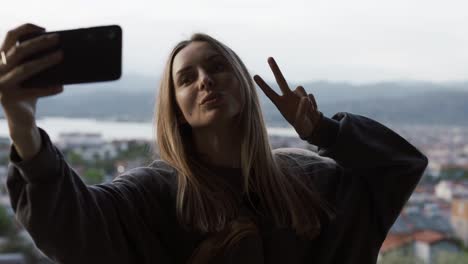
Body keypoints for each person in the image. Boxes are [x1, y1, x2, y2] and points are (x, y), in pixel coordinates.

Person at [0, 23, 428, 264]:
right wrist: (22, 123)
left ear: (243, 84)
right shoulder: (150, 194)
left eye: (217, 67)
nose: (205, 80)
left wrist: (325, 133)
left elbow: (400, 166)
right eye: (186, 78)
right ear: (177, 109)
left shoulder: (312, 179)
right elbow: (69, 224)